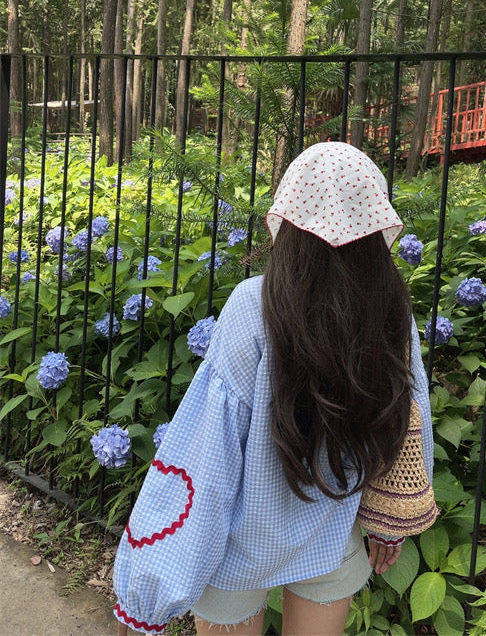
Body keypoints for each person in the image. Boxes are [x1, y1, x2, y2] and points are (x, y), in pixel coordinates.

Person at [113, 142, 436, 635]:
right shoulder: (391, 310)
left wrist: (149, 585)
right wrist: (391, 519)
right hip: (334, 535)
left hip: (238, 544)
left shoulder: (253, 304)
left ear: (287, 215)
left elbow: (208, 450)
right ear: (376, 222)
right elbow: (408, 421)